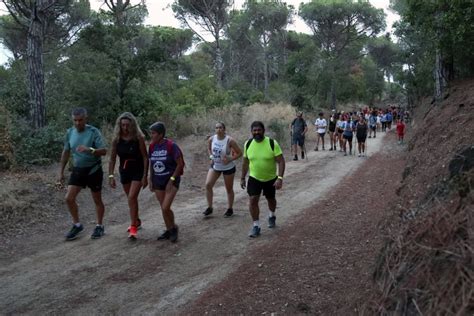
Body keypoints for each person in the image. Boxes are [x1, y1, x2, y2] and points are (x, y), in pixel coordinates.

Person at [58, 107, 107, 241]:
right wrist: (61, 172)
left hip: (93, 169)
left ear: (86, 119)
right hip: (78, 169)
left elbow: (104, 151)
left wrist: (90, 149)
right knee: (69, 198)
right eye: (75, 120)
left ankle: (99, 225)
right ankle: (77, 224)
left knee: (97, 200)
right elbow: (66, 152)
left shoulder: (93, 131)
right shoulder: (70, 132)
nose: (78, 123)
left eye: (80, 120)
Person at [241, 121, 285, 238]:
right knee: (253, 200)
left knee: (271, 199)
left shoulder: (271, 143)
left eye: (259, 130)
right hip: (254, 177)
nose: (257, 132)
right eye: (254, 130)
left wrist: (279, 178)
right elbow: (245, 162)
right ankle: (256, 226)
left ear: (263, 131)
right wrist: (242, 177)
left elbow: (280, 161)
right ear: (251, 132)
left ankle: (272, 215)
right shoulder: (248, 144)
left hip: (270, 178)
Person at [108, 112, 148, 239]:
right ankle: (136, 220)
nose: (125, 128)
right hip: (124, 170)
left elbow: (145, 157)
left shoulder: (139, 138)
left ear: (132, 125)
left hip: (138, 169)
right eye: (123, 125)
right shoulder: (117, 139)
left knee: (131, 197)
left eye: (127, 125)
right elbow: (112, 158)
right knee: (131, 199)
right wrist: (110, 176)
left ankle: (133, 227)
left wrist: (145, 176)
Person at [148, 122, 184, 243]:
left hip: (171, 180)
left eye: (153, 133)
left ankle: (174, 228)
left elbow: (180, 164)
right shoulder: (152, 146)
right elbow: (151, 163)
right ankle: (169, 229)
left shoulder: (171, 146)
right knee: (163, 207)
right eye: (151, 133)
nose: (151, 135)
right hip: (158, 180)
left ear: (161, 134)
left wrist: (172, 179)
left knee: (165, 207)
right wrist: (150, 178)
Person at [203, 122, 242, 217]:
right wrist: (211, 157)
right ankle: (210, 207)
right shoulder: (212, 139)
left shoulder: (230, 140)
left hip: (228, 167)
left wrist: (230, 159)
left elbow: (240, 153)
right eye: (216, 128)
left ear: (224, 129)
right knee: (208, 185)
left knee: (228, 189)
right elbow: (209, 149)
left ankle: (230, 209)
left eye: (220, 128)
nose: (218, 129)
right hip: (216, 166)